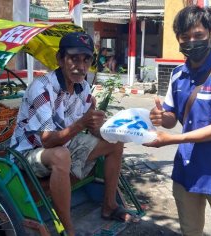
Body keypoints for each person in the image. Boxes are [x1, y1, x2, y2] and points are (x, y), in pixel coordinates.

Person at [10, 32, 136, 236]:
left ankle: (109, 205)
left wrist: (111, 129)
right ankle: (69, 230)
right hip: (27, 153)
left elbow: (90, 128)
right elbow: (48, 141)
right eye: (74, 59)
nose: (81, 66)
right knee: (61, 155)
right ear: (60, 59)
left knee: (115, 143)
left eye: (86, 59)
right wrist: (81, 124)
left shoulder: (82, 87)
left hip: (65, 144)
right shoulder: (42, 88)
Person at [144, 5, 211, 236]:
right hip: (187, 171)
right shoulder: (178, 74)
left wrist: (171, 140)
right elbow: (171, 118)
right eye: (185, 37)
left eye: (198, 35)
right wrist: (161, 117)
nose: (192, 42)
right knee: (190, 231)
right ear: (178, 40)